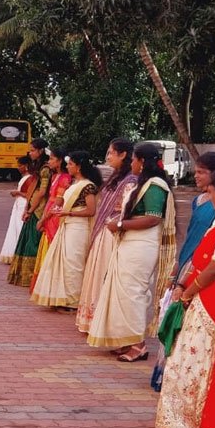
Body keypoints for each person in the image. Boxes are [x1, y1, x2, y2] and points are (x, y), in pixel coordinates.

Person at [155, 165, 215, 428]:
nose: (208, 195)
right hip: (207, 296)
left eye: (211, 191)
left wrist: (188, 293)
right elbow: (203, 263)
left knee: (204, 359)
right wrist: (183, 286)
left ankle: (201, 422)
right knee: (190, 357)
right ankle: (183, 418)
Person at [86, 142, 176, 361]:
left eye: (134, 159)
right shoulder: (144, 183)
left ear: (142, 162)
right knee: (123, 292)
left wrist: (119, 225)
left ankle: (138, 345)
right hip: (131, 243)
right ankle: (125, 340)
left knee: (133, 293)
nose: (132, 163)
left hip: (142, 246)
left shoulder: (155, 185)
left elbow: (153, 218)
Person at [150, 151, 215, 391]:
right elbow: (192, 234)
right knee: (172, 314)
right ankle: (165, 373)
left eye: (202, 172)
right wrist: (177, 267)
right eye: (197, 171)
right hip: (186, 262)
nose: (196, 176)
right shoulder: (199, 201)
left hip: (202, 266)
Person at [75, 138, 137, 333]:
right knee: (96, 275)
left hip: (112, 233)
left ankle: (104, 321)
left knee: (104, 275)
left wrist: (114, 223)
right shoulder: (116, 178)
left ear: (123, 154)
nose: (108, 157)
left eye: (111, 153)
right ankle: (93, 319)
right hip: (104, 232)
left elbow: (127, 211)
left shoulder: (130, 181)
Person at [31, 151, 101, 309]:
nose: (67, 166)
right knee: (64, 263)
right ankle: (62, 298)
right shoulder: (74, 184)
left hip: (78, 229)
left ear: (79, 167)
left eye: (70, 164)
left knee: (74, 264)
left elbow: (91, 211)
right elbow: (61, 203)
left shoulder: (88, 186)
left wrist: (69, 213)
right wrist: (48, 217)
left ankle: (73, 302)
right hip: (68, 226)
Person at [7, 138, 51, 286]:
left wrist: (30, 210)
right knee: (28, 242)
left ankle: (32, 277)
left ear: (41, 151)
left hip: (38, 209)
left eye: (32, 150)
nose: (30, 153)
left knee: (33, 243)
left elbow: (42, 192)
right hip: (33, 206)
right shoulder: (39, 168)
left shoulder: (45, 169)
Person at [30, 147, 71, 290]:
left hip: (54, 217)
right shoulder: (55, 176)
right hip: (49, 213)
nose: (49, 161)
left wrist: (43, 219)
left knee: (51, 246)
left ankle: (50, 285)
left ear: (60, 161)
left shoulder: (65, 178)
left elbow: (58, 202)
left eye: (52, 159)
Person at [0, 156, 34, 264]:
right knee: (15, 227)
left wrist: (18, 193)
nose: (18, 168)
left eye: (20, 166)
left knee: (19, 227)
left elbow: (29, 195)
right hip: (19, 204)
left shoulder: (30, 178)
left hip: (23, 204)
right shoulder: (26, 178)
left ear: (26, 166)